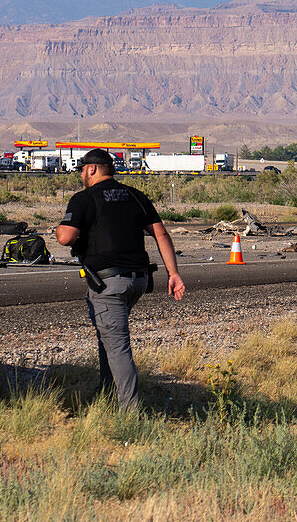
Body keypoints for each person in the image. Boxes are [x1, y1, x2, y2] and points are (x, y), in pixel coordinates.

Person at [55, 148, 185, 410]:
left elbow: (65, 238)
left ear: (92, 169)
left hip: (108, 284)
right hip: (138, 281)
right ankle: (106, 392)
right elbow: (161, 234)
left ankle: (130, 414)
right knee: (110, 337)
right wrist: (173, 273)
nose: (81, 174)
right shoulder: (135, 196)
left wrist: (58, 227)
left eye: (82, 169)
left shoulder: (83, 199)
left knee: (117, 347)